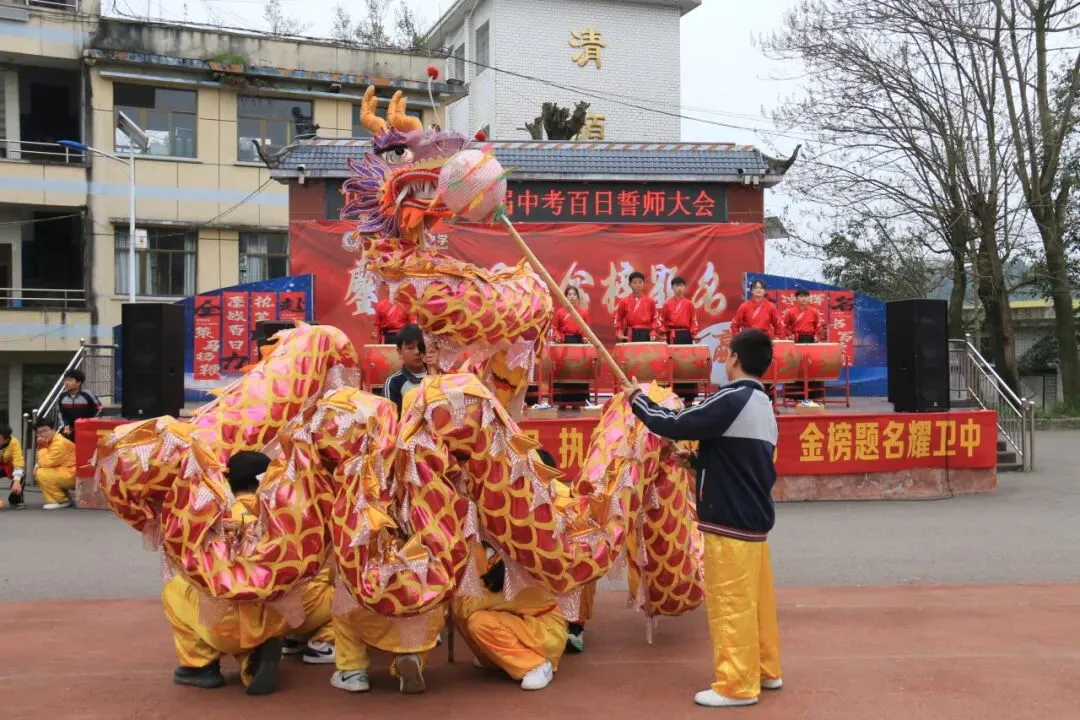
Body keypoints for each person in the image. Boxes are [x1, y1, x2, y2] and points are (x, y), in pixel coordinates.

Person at [620, 329, 782, 708]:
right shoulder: (762, 404)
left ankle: (737, 684)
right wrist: (698, 461)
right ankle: (764, 669)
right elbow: (743, 460)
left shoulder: (733, 397)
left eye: (727, 356)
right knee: (755, 603)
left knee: (730, 603)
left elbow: (677, 423)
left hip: (729, 520)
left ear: (735, 360)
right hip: (753, 520)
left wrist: (637, 401)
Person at [163, 451, 291, 694]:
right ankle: (252, 657)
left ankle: (200, 667)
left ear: (228, 481)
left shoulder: (211, 517)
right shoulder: (287, 517)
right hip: (278, 618)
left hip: (224, 620)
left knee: (175, 588)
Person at [452, 447, 568, 691]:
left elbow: (466, 605)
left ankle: (534, 664)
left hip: (543, 633)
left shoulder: (530, 542)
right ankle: (501, 657)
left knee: (471, 615)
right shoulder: (482, 531)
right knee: (464, 610)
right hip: (512, 623)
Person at [661, 276, 701, 405]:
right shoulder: (667, 304)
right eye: (676, 286)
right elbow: (662, 321)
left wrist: (694, 333)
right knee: (672, 364)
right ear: (672, 288)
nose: (679, 288)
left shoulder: (689, 303)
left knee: (687, 364)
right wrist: (662, 331)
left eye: (681, 285)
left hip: (685, 335)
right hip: (671, 336)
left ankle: (689, 396)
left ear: (684, 287)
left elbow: (693, 320)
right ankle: (671, 392)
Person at [783, 289, 826, 400]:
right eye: (801, 296)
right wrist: (790, 334)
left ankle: (815, 395)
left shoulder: (814, 312)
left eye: (806, 296)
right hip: (797, 340)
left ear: (809, 298)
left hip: (810, 340)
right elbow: (785, 326)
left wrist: (816, 335)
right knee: (796, 367)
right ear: (796, 298)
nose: (803, 299)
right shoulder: (790, 312)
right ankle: (796, 395)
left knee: (813, 366)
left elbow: (817, 327)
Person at [552, 286, 591, 406]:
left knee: (579, 370)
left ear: (578, 298)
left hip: (578, 343)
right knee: (564, 371)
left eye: (574, 294)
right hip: (564, 343)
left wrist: (585, 337)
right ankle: (561, 401)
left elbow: (586, 328)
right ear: (565, 297)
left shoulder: (583, 312)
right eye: (569, 294)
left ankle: (579, 400)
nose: (572, 296)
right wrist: (558, 337)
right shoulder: (560, 312)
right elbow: (555, 328)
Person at [32, 419, 77, 510]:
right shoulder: (53, 441)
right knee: (41, 471)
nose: (42, 434)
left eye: (45, 430)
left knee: (42, 473)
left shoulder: (58, 443)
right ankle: (64, 498)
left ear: (53, 429)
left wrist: (41, 447)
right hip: (69, 472)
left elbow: (47, 463)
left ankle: (60, 500)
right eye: (39, 432)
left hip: (73, 474)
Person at [383, 324, 428, 414]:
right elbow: (390, 420)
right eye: (410, 348)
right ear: (399, 352)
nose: (417, 352)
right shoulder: (393, 382)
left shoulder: (441, 375)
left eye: (421, 347)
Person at [614, 271, 660, 343]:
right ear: (630, 284)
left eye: (640, 282)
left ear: (643, 284)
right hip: (630, 333)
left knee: (646, 354)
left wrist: (653, 331)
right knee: (630, 354)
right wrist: (619, 331)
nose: (637, 285)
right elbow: (618, 319)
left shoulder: (651, 301)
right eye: (634, 283)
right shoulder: (624, 302)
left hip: (646, 334)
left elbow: (654, 319)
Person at [57, 369, 101, 439]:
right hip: (69, 429)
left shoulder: (87, 394)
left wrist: (89, 422)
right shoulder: (62, 396)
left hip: (87, 428)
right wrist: (65, 425)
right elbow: (61, 413)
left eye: (70, 380)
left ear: (78, 383)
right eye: (65, 380)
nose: (66, 383)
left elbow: (99, 409)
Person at [1, 425, 26, 510]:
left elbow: (18, 460)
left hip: (9, 466)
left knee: (21, 475)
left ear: (6, 440)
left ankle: (15, 499)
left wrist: (17, 480)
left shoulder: (14, 442)